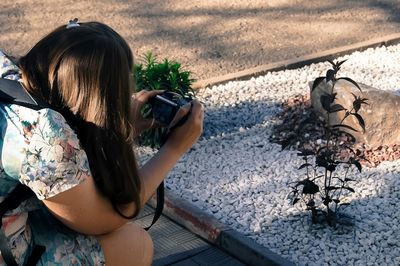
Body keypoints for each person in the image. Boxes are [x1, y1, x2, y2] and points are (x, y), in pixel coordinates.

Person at [0, 20, 203, 265]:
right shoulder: (44, 135)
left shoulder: (6, 70)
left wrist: (122, 127)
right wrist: (173, 149)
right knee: (133, 244)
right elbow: (101, 219)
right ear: (100, 100)